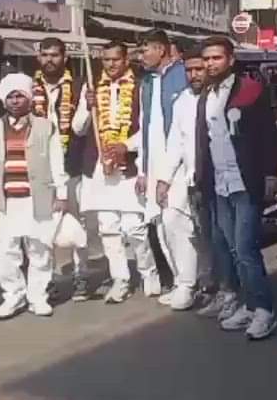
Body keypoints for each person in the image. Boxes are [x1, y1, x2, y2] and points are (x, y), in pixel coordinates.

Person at [194, 35, 277, 340]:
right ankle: (249, 304)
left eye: (216, 58)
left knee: (246, 249)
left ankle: (265, 310)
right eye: (206, 59)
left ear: (231, 60)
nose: (210, 64)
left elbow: (268, 135)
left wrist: (271, 174)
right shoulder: (206, 96)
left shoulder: (250, 90)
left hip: (246, 181)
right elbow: (203, 142)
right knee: (232, 249)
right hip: (219, 184)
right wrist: (201, 180)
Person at [72, 41, 157, 304]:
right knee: (108, 228)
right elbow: (78, 129)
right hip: (100, 168)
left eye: (115, 59)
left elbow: (149, 127)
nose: (110, 64)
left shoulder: (140, 87)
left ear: (126, 61)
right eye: (106, 60)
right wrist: (86, 105)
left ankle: (149, 273)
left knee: (134, 228)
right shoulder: (91, 87)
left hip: (128, 166)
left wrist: (126, 145)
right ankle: (120, 279)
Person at [0, 73, 69, 320]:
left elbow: (56, 160)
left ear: (29, 98)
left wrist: (61, 193)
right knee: (5, 251)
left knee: (39, 249)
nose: (15, 101)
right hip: (6, 199)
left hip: (37, 196)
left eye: (20, 96)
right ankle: (13, 296)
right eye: (10, 97)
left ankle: (38, 296)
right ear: (4, 99)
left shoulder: (46, 126)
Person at [138, 30, 201, 311]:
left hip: (181, 165)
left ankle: (190, 283)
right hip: (156, 165)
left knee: (177, 220)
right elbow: (146, 128)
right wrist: (143, 169)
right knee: (161, 225)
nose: (141, 57)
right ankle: (179, 281)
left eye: (144, 51)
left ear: (161, 50)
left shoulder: (181, 77)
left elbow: (183, 131)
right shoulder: (148, 82)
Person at [158, 45, 222, 313]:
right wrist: (164, 179)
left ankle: (218, 288)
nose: (194, 75)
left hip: (219, 178)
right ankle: (187, 282)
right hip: (191, 177)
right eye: (189, 70)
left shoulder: (219, 97)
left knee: (214, 235)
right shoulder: (182, 101)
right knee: (173, 220)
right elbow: (175, 143)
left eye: (199, 69)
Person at [32, 37, 96, 302]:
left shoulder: (79, 85)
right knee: (42, 226)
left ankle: (82, 275)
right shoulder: (29, 88)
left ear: (65, 58)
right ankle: (49, 280)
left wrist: (88, 106)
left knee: (78, 223)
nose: (50, 60)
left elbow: (79, 128)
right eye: (45, 55)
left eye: (55, 55)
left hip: (72, 166)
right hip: (40, 169)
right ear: (39, 57)